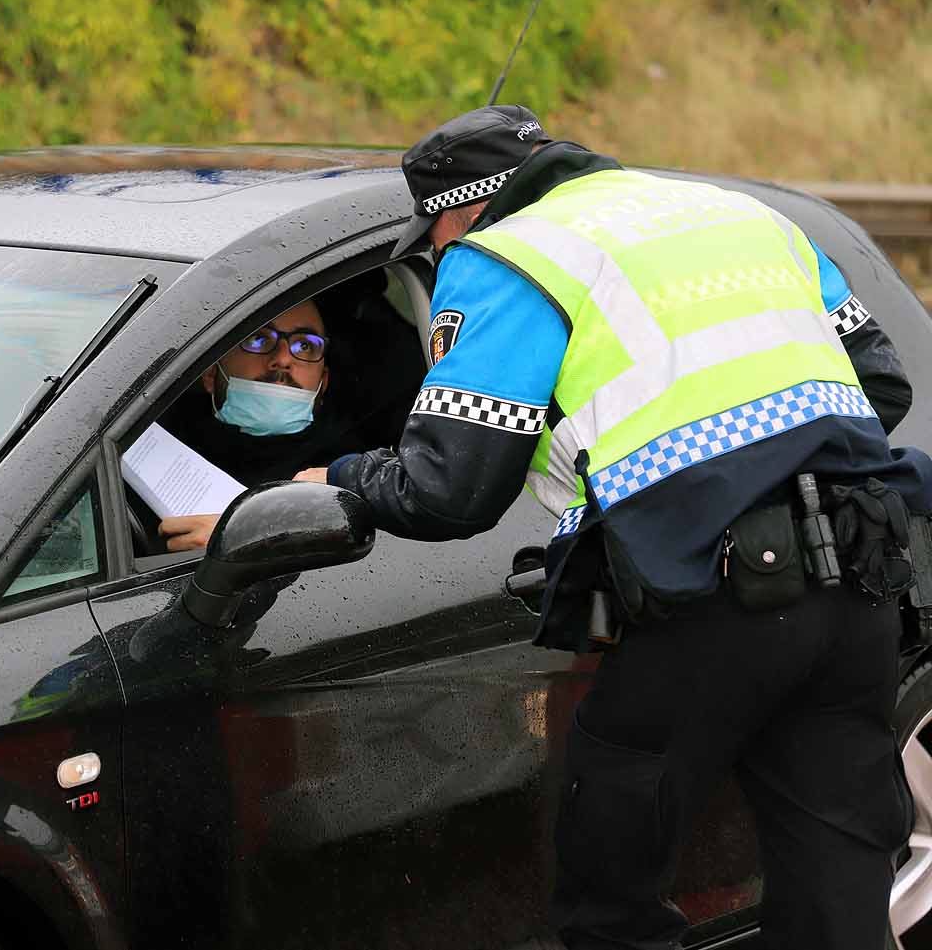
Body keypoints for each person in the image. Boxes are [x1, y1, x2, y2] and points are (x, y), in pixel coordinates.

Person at [296, 104, 932, 949]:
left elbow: (451, 486)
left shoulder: (506, 257)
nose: (438, 253)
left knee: (612, 892)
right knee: (839, 888)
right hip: (858, 586)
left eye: (434, 237)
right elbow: (882, 388)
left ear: (460, 211)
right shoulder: (743, 215)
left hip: (709, 599)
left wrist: (336, 477)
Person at [157, 298, 364, 551]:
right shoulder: (148, 447)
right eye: (259, 339)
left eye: (305, 345)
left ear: (323, 383)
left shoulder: (351, 478)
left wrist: (246, 539)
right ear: (211, 374)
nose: (284, 358)